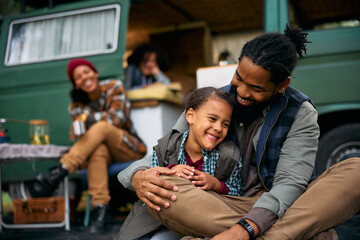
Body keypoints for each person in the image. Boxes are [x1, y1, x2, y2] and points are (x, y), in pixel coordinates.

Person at [116, 23, 360, 240]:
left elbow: (290, 184)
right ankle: (296, 233)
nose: (242, 92)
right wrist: (138, 176)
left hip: (281, 204)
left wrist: (244, 230)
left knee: (355, 171)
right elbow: (167, 148)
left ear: (281, 85)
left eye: (255, 87)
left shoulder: (300, 112)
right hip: (220, 204)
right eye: (238, 78)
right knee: (164, 187)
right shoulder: (211, 103)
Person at [28, 58, 147, 233]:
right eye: (78, 77)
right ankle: (100, 210)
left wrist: (89, 119)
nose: (84, 78)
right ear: (75, 84)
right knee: (97, 149)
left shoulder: (114, 86)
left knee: (101, 127)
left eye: (86, 72)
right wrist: (80, 130)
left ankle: (61, 169)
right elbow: (81, 137)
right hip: (103, 151)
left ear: (95, 73)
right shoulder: (76, 104)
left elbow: (116, 119)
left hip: (128, 147)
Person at [117, 87, 242, 240]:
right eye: (212, 119)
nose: (218, 128)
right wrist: (170, 171)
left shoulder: (229, 157)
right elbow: (153, 181)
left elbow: (238, 195)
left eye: (225, 124)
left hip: (204, 225)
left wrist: (217, 185)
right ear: (190, 116)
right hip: (162, 219)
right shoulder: (166, 148)